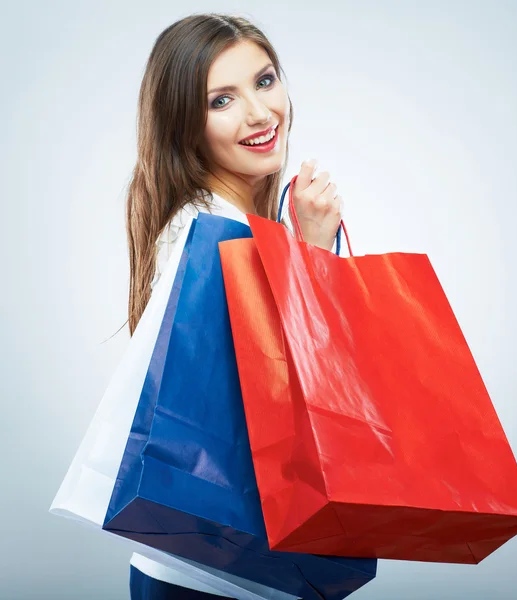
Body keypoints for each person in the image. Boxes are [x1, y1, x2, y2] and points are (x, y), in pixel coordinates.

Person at [122, 12, 343, 600]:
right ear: (185, 126)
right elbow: (285, 391)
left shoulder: (224, 222)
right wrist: (315, 252)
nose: (258, 113)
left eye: (264, 81)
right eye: (222, 100)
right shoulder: (213, 233)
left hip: (215, 561)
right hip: (216, 575)